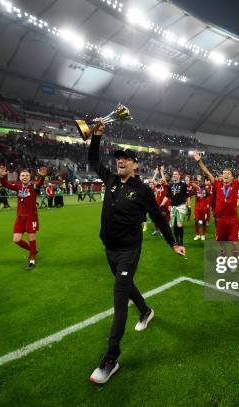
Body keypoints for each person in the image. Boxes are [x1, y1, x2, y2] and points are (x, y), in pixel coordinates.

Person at [87, 121, 186, 384]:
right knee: (127, 286)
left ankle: (110, 358)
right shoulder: (109, 179)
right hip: (109, 249)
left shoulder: (143, 191)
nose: (120, 161)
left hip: (129, 251)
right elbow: (91, 157)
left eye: (126, 159)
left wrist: (173, 243)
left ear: (135, 165)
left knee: (120, 299)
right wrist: (97, 135)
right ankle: (145, 310)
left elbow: (159, 218)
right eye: (118, 158)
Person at [194, 146, 239, 257]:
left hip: (232, 220)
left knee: (235, 244)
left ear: (232, 177)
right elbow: (207, 173)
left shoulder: (236, 184)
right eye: (224, 173)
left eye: (228, 173)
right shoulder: (217, 184)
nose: (225, 175)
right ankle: (222, 258)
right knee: (221, 244)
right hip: (220, 219)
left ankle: (234, 261)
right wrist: (199, 161)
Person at [0, 166, 47, 270]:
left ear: (30, 177)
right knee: (16, 240)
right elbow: (4, 184)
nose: (25, 177)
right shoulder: (18, 187)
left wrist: (42, 177)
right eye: (23, 175)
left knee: (31, 238)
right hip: (20, 217)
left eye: (27, 175)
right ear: (20, 177)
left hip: (31, 217)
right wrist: (2, 177)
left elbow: (39, 183)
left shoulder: (33, 187)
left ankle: (32, 259)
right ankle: (32, 250)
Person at [160, 170, 188, 246]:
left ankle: (181, 241)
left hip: (181, 206)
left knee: (179, 225)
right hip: (173, 207)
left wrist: (188, 206)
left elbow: (187, 196)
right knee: (174, 224)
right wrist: (162, 205)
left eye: (176, 174)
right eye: (173, 174)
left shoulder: (183, 184)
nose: (174, 175)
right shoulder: (170, 185)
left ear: (179, 175)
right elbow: (167, 196)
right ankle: (177, 240)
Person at [192, 176, 212, 241]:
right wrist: (194, 187)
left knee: (204, 222)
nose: (200, 183)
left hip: (204, 209)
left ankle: (203, 235)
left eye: (202, 182)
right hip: (197, 209)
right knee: (196, 221)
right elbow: (190, 194)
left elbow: (209, 195)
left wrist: (205, 189)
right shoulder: (196, 189)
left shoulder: (206, 189)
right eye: (199, 182)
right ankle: (197, 235)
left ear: (204, 183)